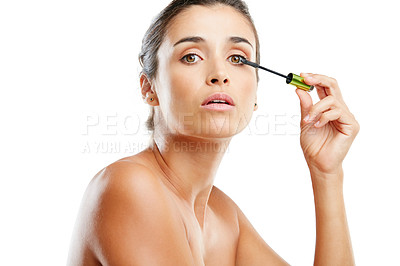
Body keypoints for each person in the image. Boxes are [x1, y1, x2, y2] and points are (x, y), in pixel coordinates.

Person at [67, 0, 360, 265]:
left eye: (237, 58)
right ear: (149, 88)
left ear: (256, 93)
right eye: (191, 56)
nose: (220, 74)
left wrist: (327, 175)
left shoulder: (223, 217)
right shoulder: (131, 186)